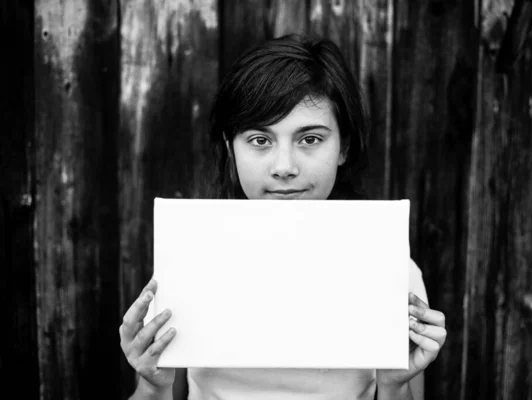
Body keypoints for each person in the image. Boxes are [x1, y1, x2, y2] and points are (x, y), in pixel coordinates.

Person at [119, 34, 447, 400]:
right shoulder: (187, 263)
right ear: (231, 149)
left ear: (344, 147)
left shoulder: (394, 273)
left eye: (309, 139)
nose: (284, 167)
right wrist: (152, 385)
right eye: (260, 140)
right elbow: (163, 391)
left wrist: (393, 384)